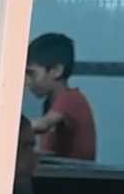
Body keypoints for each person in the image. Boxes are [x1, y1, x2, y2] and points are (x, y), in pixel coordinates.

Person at [24, 33, 98, 161]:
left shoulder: (72, 99)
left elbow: (42, 125)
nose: (27, 81)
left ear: (56, 71)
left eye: (31, 73)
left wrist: (7, 128)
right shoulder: (49, 103)